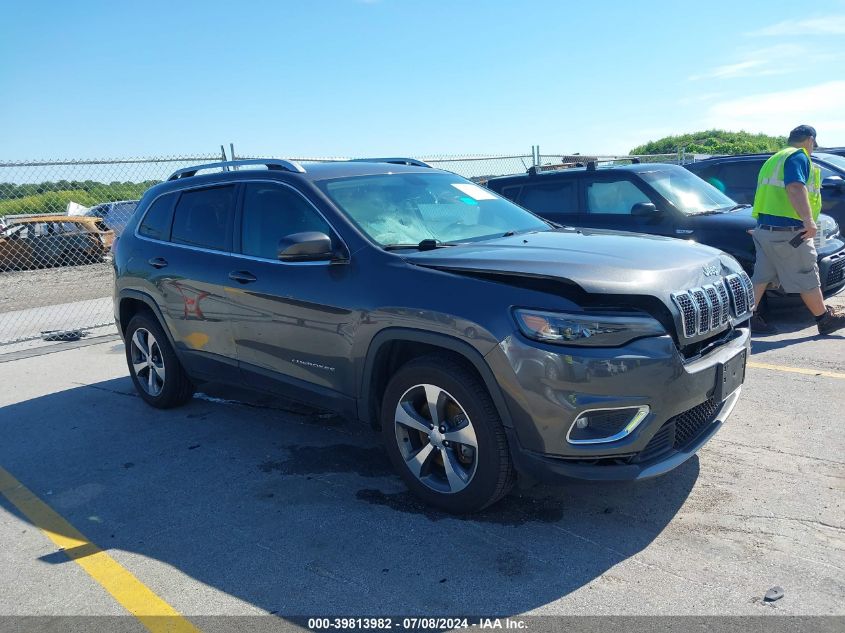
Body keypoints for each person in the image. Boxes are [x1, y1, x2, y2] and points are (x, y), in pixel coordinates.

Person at [749, 125, 844, 335]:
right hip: (789, 232)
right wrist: (809, 221)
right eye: (813, 145)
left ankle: (748, 318)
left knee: (762, 276)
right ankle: (824, 319)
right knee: (806, 274)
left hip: (766, 230)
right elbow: (795, 187)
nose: (813, 149)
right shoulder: (798, 157)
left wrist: (761, 226)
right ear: (810, 140)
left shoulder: (775, 158)